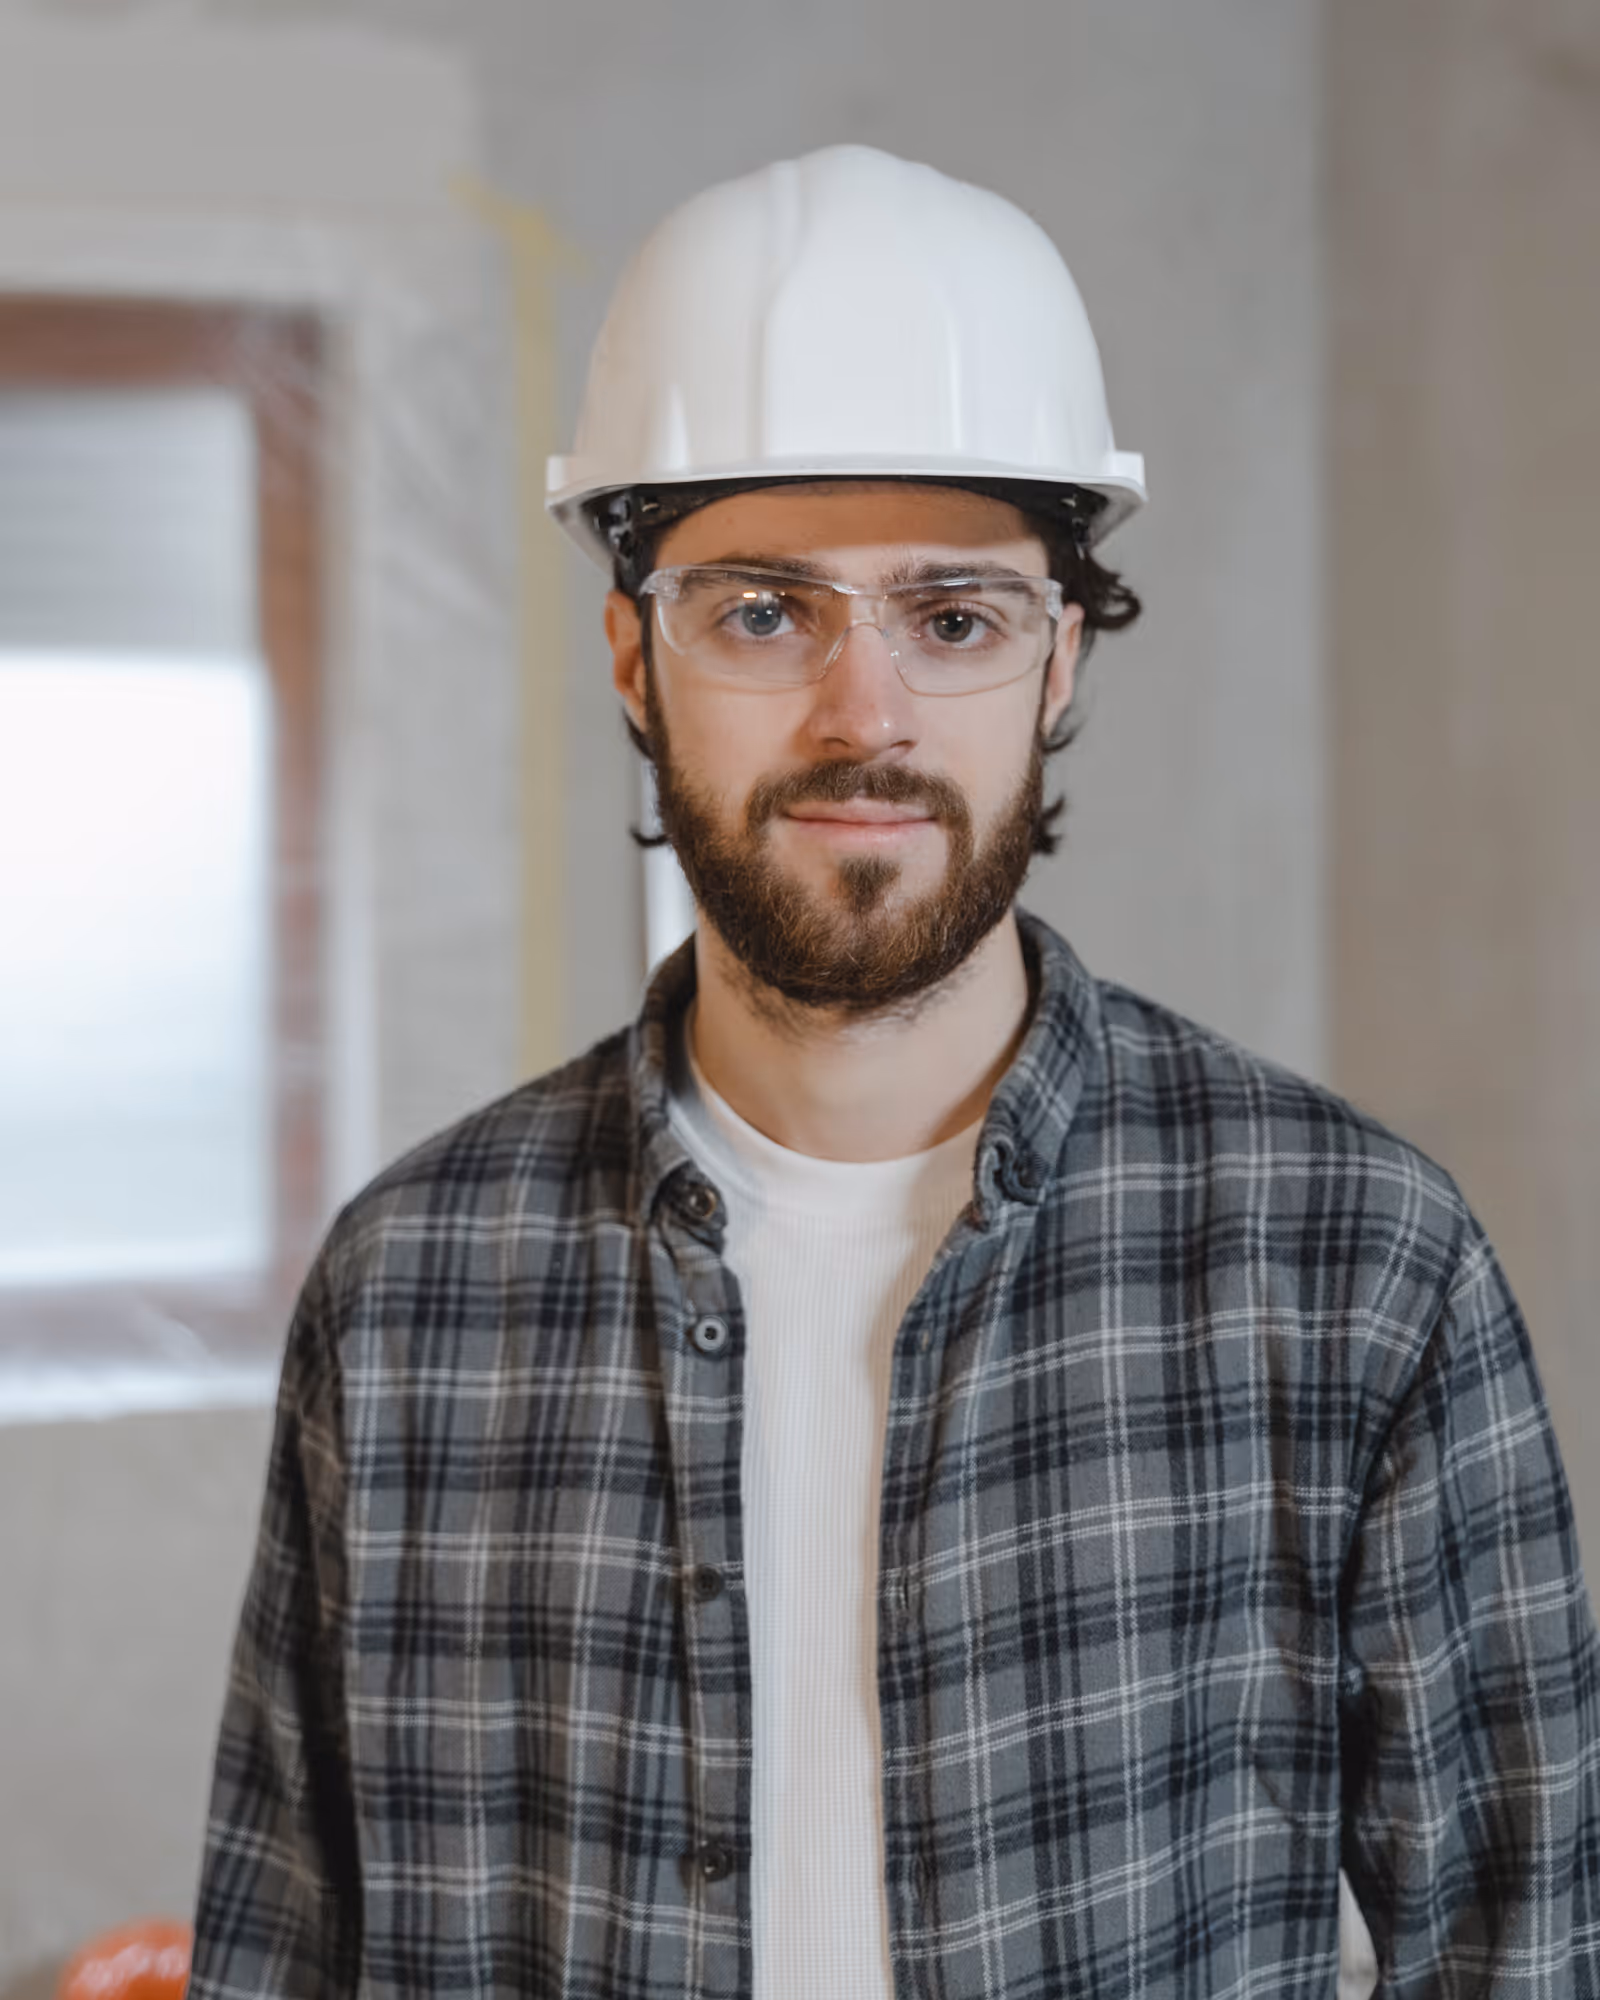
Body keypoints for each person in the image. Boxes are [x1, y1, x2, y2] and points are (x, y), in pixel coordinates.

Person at [187, 145, 1600, 2000]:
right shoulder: (413, 1293)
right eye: (763, 610)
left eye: (954, 616)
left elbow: (1524, 1951)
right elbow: (281, 1950)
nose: (865, 715)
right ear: (634, 654)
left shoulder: (1352, 1262)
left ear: (1058, 663)